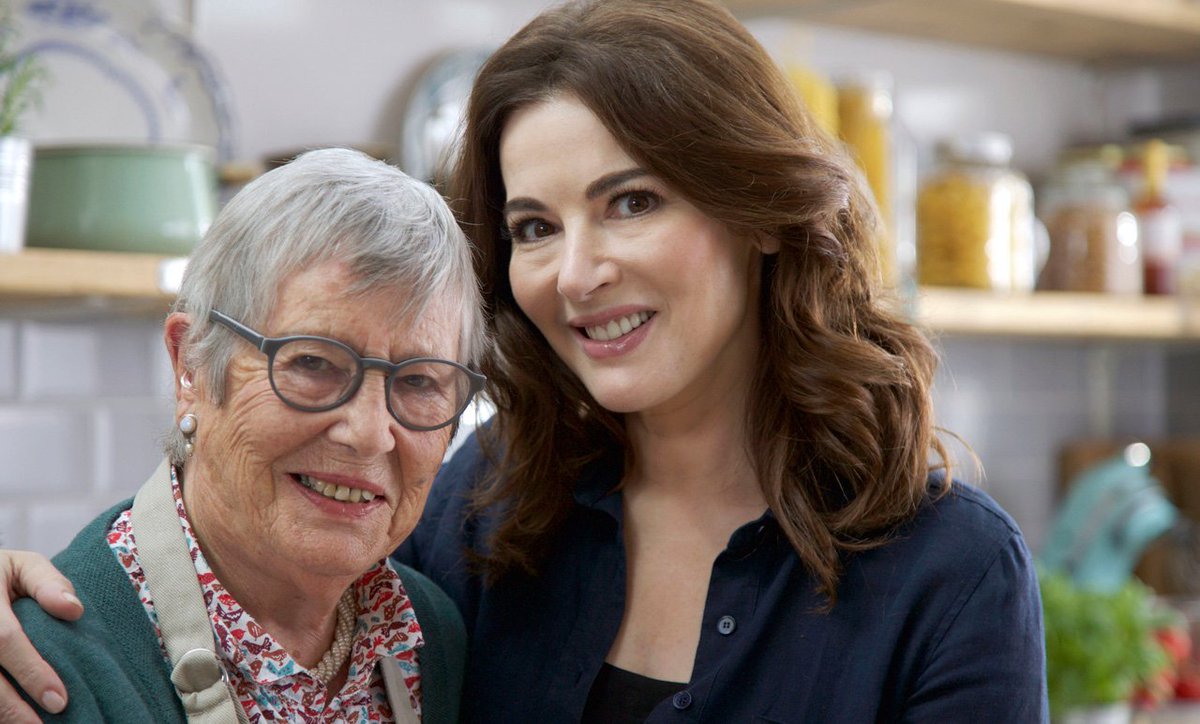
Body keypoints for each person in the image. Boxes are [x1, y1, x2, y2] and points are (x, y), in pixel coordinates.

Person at [0, 0, 1048, 721]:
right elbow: (242, 563)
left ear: (760, 211)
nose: (576, 273)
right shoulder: (488, 500)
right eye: (536, 227)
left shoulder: (951, 572)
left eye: (631, 202)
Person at [0, 147, 484, 722]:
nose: (370, 433)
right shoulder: (43, 663)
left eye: (420, 381)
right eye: (313, 363)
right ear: (192, 364)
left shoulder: (434, 639)